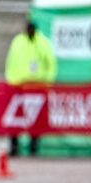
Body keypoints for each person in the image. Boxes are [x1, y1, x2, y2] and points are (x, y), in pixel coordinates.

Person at [4, 20, 56, 156]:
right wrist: (11, 80)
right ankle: (14, 147)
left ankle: (33, 148)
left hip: (37, 85)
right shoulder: (18, 41)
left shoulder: (43, 43)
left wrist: (47, 82)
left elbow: (50, 63)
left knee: (36, 120)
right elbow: (11, 61)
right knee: (16, 119)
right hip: (19, 86)